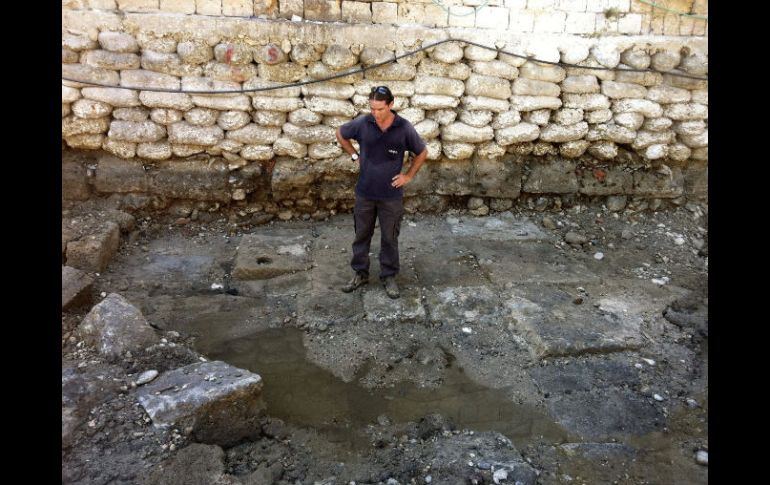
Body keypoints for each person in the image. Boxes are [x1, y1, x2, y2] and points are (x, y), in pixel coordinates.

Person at [335, 85, 428, 299]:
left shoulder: (403, 127)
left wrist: (408, 176)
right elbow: (341, 133)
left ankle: (389, 276)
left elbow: (422, 152)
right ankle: (360, 273)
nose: (375, 114)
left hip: (391, 196)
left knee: (389, 237)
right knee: (361, 234)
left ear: (391, 105)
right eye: (372, 109)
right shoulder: (363, 123)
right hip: (365, 192)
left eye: (380, 109)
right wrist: (354, 156)